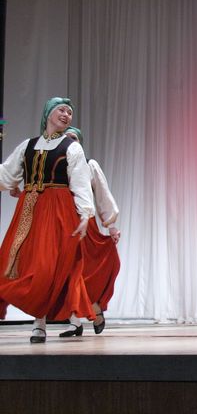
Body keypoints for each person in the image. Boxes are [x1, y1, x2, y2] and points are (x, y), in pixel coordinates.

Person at [0, 98, 95, 343]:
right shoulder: (28, 145)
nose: (66, 115)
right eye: (61, 110)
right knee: (15, 260)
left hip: (58, 209)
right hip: (29, 209)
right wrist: (12, 185)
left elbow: (81, 182)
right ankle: (47, 320)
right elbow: (7, 174)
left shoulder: (72, 148)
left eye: (69, 112)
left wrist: (85, 214)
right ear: (48, 113)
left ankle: (39, 324)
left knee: (45, 267)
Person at [57, 126, 121, 337]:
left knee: (86, 271)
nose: (70, 142)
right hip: (62, 224)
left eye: (73, 138)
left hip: (85, 225)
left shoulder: (89, 165)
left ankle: (95, 308)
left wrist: (111, 225)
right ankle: (75, 322)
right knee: (65, 271)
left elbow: (102, 194)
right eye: (66, 139)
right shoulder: (55, 168)